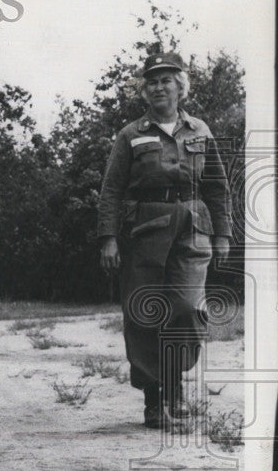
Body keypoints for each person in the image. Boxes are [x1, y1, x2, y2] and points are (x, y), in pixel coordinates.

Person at [97, 51, 232, 429]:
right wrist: (108, 237)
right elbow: (111, 191)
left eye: (166, 80)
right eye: (152, 81)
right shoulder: (131, 135)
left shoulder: (200, 131)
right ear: (145, 91)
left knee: (188, 309)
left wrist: (223, 233)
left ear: (181, 87)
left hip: (193, 231)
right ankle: (155, 399)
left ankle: (174, 387)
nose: (158, 87)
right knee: (144, 314)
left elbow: (218, 187)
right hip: (144, 233)